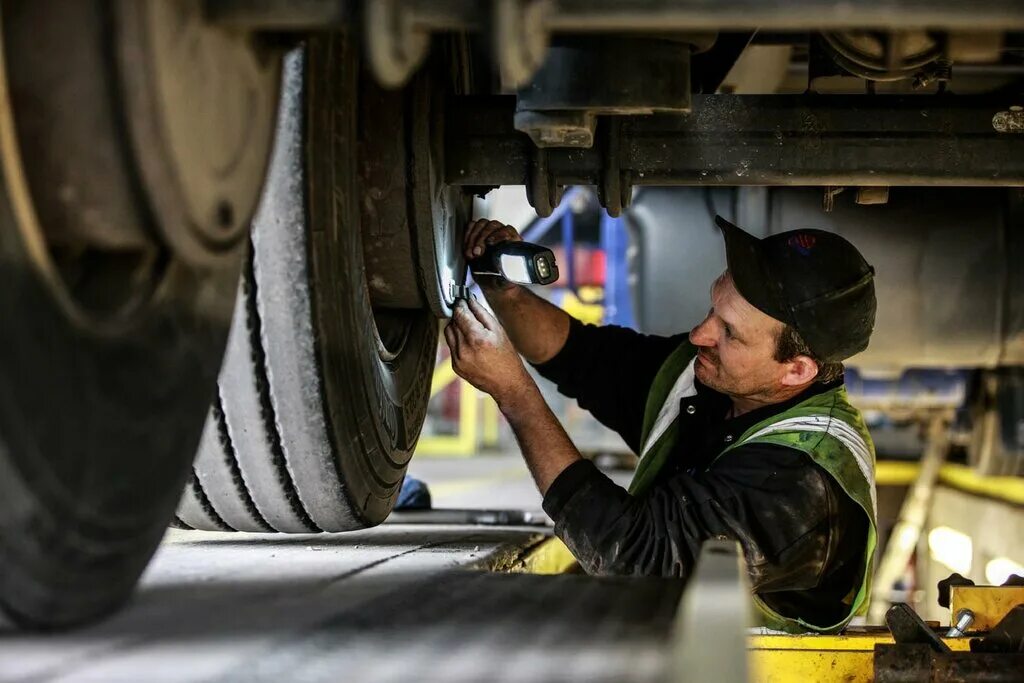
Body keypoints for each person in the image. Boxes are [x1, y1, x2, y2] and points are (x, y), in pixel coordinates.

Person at [443, 214, 878, 634]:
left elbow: (635, 559)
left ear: (796, 370)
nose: (699, 335)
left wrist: (514, 393)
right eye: (713, 309)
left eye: (729, 332)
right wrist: (505, 292)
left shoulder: (801, 485)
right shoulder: (713, 379)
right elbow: (582, 356)